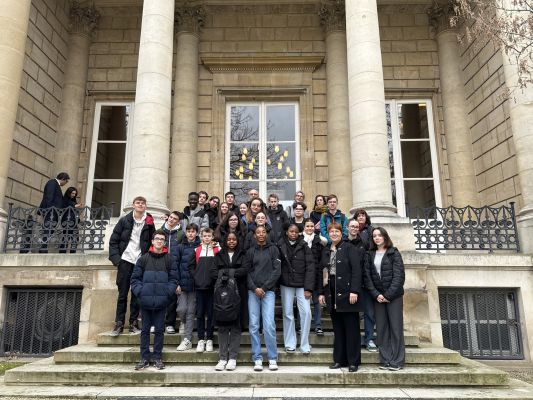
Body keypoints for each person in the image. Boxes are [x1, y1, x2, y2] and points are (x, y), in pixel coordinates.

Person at [319, 222, 363, 373]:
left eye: (336, 231)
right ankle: (339, 360)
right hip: (331, 294)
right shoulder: (326, 250)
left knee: (352, 330)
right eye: (331, 232)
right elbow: (323, 272)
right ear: (328, 234)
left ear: (341, 232)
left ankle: (353, 362)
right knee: (338, 330)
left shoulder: (349, 247)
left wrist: (354, 291)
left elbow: (357, 270)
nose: (334, 234)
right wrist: (321, 293)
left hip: (348, 293)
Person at [131, 230, 178, 370]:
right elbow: (134, 279)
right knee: (145, 331)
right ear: (152, 241)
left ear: (164, 242)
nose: (159, 241)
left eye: (162, 239)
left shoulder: (169, 259)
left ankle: (157, 357)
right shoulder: (143, 259)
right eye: (157, 238)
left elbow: (174, 279)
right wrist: (141, 292)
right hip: (145, 302)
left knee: (159, 331)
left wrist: (166, 293)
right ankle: (144, 357)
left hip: (161, 302)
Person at [109, 196, 155, 336]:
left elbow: (153, 241)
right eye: (138, 203)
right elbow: (114, 241)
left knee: (137, 294)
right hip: (126, 260)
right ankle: (119, 324)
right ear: (133, 205)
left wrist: (148, 260)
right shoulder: (124, 220)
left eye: (142, 203)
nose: (140, 205)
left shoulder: (149, 222)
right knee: (122, 294)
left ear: (145, 206)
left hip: (140, 262)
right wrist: (117, 260)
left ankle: (133, 323)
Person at [364, 227, 405, 371]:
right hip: (378, 297)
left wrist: (388, 295)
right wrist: (376, 294)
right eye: (374, 236)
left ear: (385, 237)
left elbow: (399, 277)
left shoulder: (394, 253)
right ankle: (386, 359)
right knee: (382, 329)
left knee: (395, 328)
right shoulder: (369, 255)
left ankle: (397, 361)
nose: (377, 238)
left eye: (379, 235)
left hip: (393, 297)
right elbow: (367, 277)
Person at [244, 225, 281, 371]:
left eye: (263, 232)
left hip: (268, 292)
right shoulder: (250, 252)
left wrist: (264, 288)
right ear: (254, 235)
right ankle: (257, 358)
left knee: (269, 325)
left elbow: (277, 271)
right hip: (253, 292)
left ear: (266, 234)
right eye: (258, 232)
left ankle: (272, 358)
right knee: (253, 325)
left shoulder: (273, 249)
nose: (260, 234)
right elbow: (246, 272)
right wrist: (254, 288)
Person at [211, 232, 247, 371]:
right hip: (222, 295)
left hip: (239, 294)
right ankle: (222, 358)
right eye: (229, 239)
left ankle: (232, 358)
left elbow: (244, 270)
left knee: (236, 327)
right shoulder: (219, 255)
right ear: (225, 241)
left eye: (234, 239)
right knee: (222, 326)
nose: (231, 241)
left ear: (237, 241)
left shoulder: (243, 254)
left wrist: (225, 273)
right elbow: (213, 272)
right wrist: (232, 272)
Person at [278, 224, 315, 354]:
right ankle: (290, 343)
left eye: (295, 231)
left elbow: (311, 267)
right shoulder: (280, 244)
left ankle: (304, 344)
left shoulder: (304, 246)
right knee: (288, 313)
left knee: (306, 313)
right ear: (287, 232)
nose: (293, 233)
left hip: (302, 285)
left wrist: (309, 288)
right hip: (286, 283)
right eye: (291, 231)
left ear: (299, 233)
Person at [188, 227, 220, 353]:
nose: (207, 238)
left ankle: (210, 338)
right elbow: (190, 266)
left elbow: (220, 265)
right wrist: (196, 276)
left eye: (209, 236)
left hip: (212, 287)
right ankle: (201, 339)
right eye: (204, 236)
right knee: (200, 313)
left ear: (212, 237)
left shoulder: (217, 250)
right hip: (200, 287)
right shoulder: (196, 250)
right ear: (201, 237)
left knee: (211, 314)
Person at [348, 218, 377, 352]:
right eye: (351, 226)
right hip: (349, 283)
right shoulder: (343, 243)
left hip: (364, 282)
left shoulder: (365, 243)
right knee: (351, 315)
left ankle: (369, 338)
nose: (354, 228)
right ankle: (353, 340)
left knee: (369, 313)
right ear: (347, 228)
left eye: (356, 226)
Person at [175, 223, 201, 351]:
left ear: (197, 233)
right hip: (182, 285)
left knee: (191, 311)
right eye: (189, 231)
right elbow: (175, 266)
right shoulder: (180, 247)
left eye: (193, 231)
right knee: (181, 309)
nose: (191, 233)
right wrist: (177, 283)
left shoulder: (200, 247)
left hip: (195, 285)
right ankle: (183, 322)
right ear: (186, 233)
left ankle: (187, 339)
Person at [161, 211, 185, 334]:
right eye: (170, 217)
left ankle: (169, 323)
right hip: (160, 266)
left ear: (178, 221)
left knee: (171, 297)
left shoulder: (181, 234)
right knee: (158, 296)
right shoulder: (160, 231)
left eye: (174, 218)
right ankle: (157, 323)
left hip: (174, 267)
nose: (171, 220)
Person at [302, 218, 327, 336]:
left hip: (317, 275)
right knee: (302, 302)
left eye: (312, 226)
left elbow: (322, 260)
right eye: (307, 226)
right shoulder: (299, 241)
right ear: (304, 227)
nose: (310, 228)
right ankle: (301, 325)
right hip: (302, 276)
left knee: (317, 302)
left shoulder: (319, 241)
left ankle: (318, 325)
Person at [38, 172, 70, 253]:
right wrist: (50, 210)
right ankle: (43, 248)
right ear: (63, 179)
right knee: (48, 229)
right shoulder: (52, 182)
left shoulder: (55, 184)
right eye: (66, 181)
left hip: (53, 212)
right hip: (50, 212)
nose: (65, 184)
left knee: (50, 229)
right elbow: (49, 197)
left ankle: (44, 247)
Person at [59, 186, 83, 253]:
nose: (74, 195)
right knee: (66, 237)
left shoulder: (73, 200)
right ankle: (62, 252)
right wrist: (75, 206)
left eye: (75, 194)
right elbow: (65, 207)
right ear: (69, 193)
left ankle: (72, 253)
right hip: (67, 221)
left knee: (75, 238)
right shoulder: (65, 199)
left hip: (74, 221)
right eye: (72, 193)